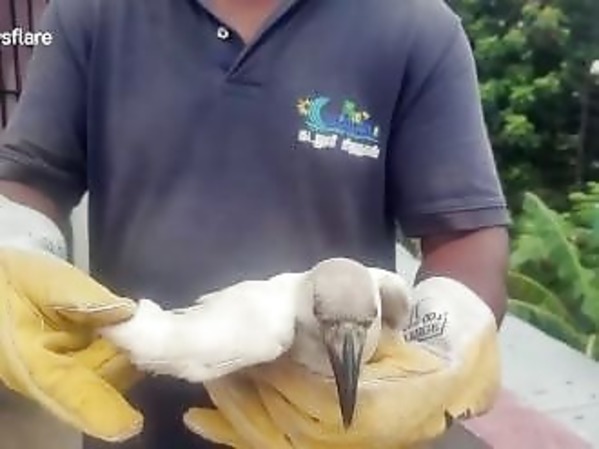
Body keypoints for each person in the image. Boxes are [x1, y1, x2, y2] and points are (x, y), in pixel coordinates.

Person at [0, 0, 510, 448]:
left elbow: (464, 236)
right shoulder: (92, 11)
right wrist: (12, 258)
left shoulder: (415, 25)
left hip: (332, 428)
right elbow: (29, 178)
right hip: (133, 421)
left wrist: (440, 355)